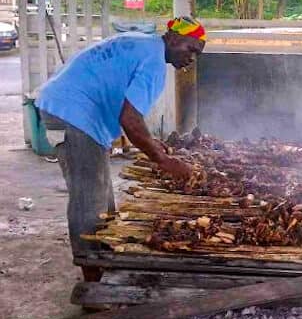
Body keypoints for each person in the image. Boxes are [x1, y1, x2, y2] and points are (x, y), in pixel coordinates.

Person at [35, 16, 206, 280]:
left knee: (102, 194)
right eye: (190, 48)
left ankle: (104, 260)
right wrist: (162, 159)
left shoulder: (142, 43)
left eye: (197, 53)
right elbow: (130, 119)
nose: (192, 57)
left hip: (66, 104)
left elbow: (128, 111)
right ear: (172, 38)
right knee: (89, 198)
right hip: (75, 112)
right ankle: (92, 279)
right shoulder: (154, 63)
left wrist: (150, 143)